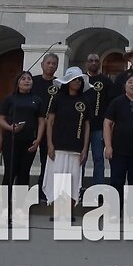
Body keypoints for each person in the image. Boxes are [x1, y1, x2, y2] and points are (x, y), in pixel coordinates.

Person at [45, 66, 90, 211]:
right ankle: (59, 211)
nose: (77, 82)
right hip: (58, 146)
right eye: (74, 79)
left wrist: (85, 148)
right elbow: (50, 122)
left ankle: (69, 211)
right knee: (58, 178)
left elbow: (87, 126)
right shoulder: (58, 99)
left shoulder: (84, 101)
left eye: (79, 79)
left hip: (76, 147)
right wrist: (50, 144)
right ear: (67, 82)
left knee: (73, 179)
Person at [104, 74, 133, 201]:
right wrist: (108, 146)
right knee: (117, 181)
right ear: (125, 86)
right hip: (118, 150)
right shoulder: (116, 102)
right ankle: (115, 211)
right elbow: (107, 123)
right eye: (130, 82)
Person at [0, 70, 45, 188]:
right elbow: (0, 119)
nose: (26, 81)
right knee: (10, 172)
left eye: (29, 79)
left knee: (24, 173)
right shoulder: (9, 99)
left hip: (29, 141)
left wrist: (38, 139)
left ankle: (20, 204)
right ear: (18, 82)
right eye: (23, 79)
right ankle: (5, 204)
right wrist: (10, 127)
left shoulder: (37, 100)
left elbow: (41, 121)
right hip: (11, 140)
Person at [83, 53, 118, 187]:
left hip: (98, 127)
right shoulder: (80, 79)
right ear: (86, 63)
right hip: (81, 126)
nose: (93, 63)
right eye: (90, 60)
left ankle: (98, 187)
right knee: (81, 158)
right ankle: (78, 188)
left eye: (96, 61)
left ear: (99, 63)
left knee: (98, 158)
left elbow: (111, 103)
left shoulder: (106, 81)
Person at [30, 53, 60, 200]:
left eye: (54, 63)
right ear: (42, 64)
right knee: (25, 160)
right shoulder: (33, 81)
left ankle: (43, 190)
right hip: (31, 127)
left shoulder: (59, 84)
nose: (51, 66)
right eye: (48, 63)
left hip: (51, 130)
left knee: (46, 161)